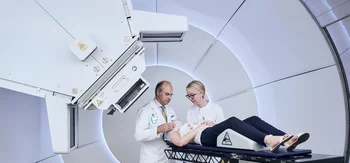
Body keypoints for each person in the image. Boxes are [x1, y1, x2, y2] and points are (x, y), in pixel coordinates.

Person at [169, 116, 310, 152]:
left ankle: (287, 139)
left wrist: (209, 124)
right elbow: (181, 143)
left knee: (253, 120)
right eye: (172, 120)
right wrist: (199, 127)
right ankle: (269, 140)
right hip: (203, 137)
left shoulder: (187, 123)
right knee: (232, 121)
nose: (174, 120)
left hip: (208, 131)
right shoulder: (172, 133)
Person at [135, 80, 178, 163]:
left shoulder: (171, 110)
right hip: (152, 158)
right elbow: (138, 135)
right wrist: (157, 129)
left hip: (169, 157)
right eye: (167, 94)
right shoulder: (145, 110)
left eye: (171, 95)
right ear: (158, 92)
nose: (170, 97)